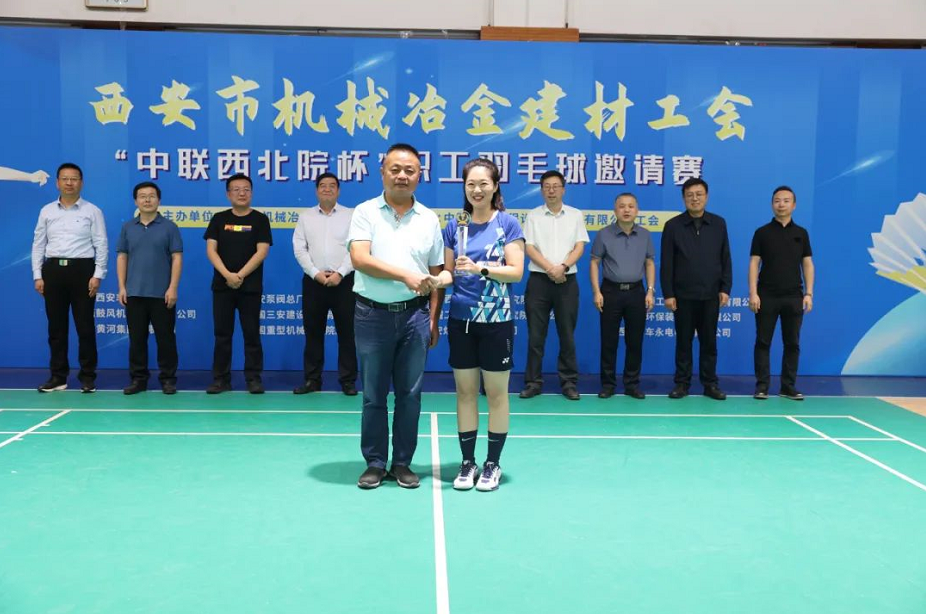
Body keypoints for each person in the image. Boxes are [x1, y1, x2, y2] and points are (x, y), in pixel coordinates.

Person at [348, 143, 450, 490]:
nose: (402, 176)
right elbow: (360, 259)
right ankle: (375, 463)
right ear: (383, 173)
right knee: (373, 395)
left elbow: (436, 274)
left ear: (419, 175)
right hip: (372, 315)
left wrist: (433, 319)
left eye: (410, 170)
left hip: (415, 317)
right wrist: (405, 275)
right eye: (395, 169)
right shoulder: (365, 212)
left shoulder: (429, 219)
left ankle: (403, 462)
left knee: (410, 394)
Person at [437, 158, 524, 492]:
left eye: (483, 184)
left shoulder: (508, 224)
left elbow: (516, 272)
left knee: (497, 394)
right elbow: (449, 273)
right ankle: (468, 462)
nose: (477, 190)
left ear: (495, 186)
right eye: (470, 184)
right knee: (465, 392)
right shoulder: (454, 227)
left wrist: (480, 269)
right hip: (461, 320)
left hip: (497, 320)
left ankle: (492, 464)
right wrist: (435, 280)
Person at [31, 163, 107, 393]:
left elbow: (101, 244)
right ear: (57, 183)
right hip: (53, 271)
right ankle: (58, 377)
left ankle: (88, 377)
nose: (69, 183)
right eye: (65, 179)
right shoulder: (47, 211)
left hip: (83, 271)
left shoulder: (92, 211)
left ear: (81, 183)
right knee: (56, 328)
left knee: (85, 327)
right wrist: (37, 275)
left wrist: (98, 274)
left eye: (74, 179)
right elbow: (38, 244)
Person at [520, 170, 590, 401]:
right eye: (547, 187)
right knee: (536, 336)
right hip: (539, 281)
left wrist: (563, 267)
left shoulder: (575, 215)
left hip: (567, 281)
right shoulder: (533, 216)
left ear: (563, 189)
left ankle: (569, 383)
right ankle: (533, 382)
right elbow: (529, 248)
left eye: (555, 186)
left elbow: (579, 246)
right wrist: (551, 269)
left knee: (567, 335)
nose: (551, 191)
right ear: (541, 190)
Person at [660, 177, 731, 401]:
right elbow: (667, 263)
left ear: (706, 197)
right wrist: (668, 293)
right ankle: (682, 384)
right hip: (683, 296)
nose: (695, 198)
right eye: (690, 195)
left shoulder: (718, 224)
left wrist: (725, 288)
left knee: (709, 342)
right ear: (683, 198)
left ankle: (710, 384)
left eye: (699, 194)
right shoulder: (673, 226)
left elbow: (725, 258)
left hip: (711, 294)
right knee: (684, 342)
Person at [203, 173, 272, 394]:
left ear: (251, 193)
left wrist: (239, 275)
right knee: (222, 335)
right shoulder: (218, 219)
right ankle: (220, 379)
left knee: (251, 334)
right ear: (228, 194)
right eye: (236, 189)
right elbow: (211, 250)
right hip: (222, 287)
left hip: (250, 288)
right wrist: (227, 275)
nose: (242, 193)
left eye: (246, 189)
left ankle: (253, 379)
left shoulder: (260, 220)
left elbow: (262, 252)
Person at [292, 172, 357, 396]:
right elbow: (300, 249)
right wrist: (315, 273)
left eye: (332, 186)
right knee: (313, 333)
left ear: (338, 191)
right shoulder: (306, 217)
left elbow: (356, 249)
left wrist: (340, 273)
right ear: (316, 190)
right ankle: (312, 380)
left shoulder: (351, 215)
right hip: (314, 282)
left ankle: (348, 381)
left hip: (345, 282)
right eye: (322, 185)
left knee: (347, 334)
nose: (327, 189)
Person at [116, 181, 183, 395]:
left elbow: (177, 257)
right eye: (142, 196)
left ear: (158, 200)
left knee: (166, 339)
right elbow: (122, 256)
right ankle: (138, 379)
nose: (147, 200)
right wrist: (122, 287)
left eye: (151, 196)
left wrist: (173, 287)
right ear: (136, 201)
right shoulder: (128, 227)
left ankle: (168, 379)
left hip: (162, 294)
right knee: (137, 340)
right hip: (134, 292)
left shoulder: (170, 227)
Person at [748, 186, 814, 401]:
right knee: (763, 342)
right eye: (777, 200)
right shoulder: (762, 233)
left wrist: (809, 293)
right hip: (766, 295)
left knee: (792, 343)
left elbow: (807, 264)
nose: (781, 204)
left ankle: (788, 386)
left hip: (794, 296)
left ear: (794, 205)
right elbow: (754, 263)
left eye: (786, 200)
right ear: (772, 204)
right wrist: (753, 293)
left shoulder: (801, 233)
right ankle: (762, 386)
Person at [589, 193, 655, 399]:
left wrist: (650, 290)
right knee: (609, 341)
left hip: (636, 292)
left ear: (637, 210)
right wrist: (596, 291)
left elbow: (650, 262)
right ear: (615, 210)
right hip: (610, 292)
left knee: (634, 341)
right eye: (622, 206)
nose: (626, 210)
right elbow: (594, 262)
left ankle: (632, 384)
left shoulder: (644, 235)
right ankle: (608, 384)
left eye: (631, 206)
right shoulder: (604, 234)